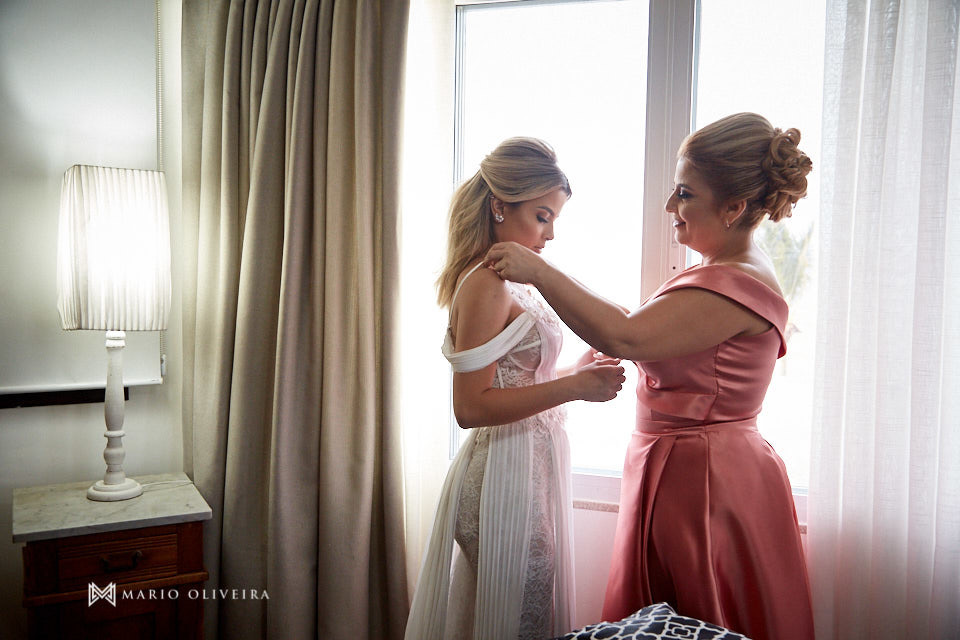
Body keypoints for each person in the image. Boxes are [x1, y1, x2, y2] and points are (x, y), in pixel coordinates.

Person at [485, 113, 816, 640]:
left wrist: (540, 272)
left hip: (705, 483)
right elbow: (637, 326)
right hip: (693, 469)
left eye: (685, 194)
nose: (669, 207)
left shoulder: (734, 284)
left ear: (733, 207)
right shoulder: (725, 269)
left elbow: (628, 336)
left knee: (694, 618)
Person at [404, 137, 626, 640]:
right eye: (542, 216)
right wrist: (574, 387)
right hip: (502, 478)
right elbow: (470, 406)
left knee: (525, 618)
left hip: (526, 471)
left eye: (555, 219)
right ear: (500, 206)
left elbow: (515, 374)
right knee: (519, 623)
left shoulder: (514, 277)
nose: (551, 233)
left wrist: (571, 369)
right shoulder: (487, 283)